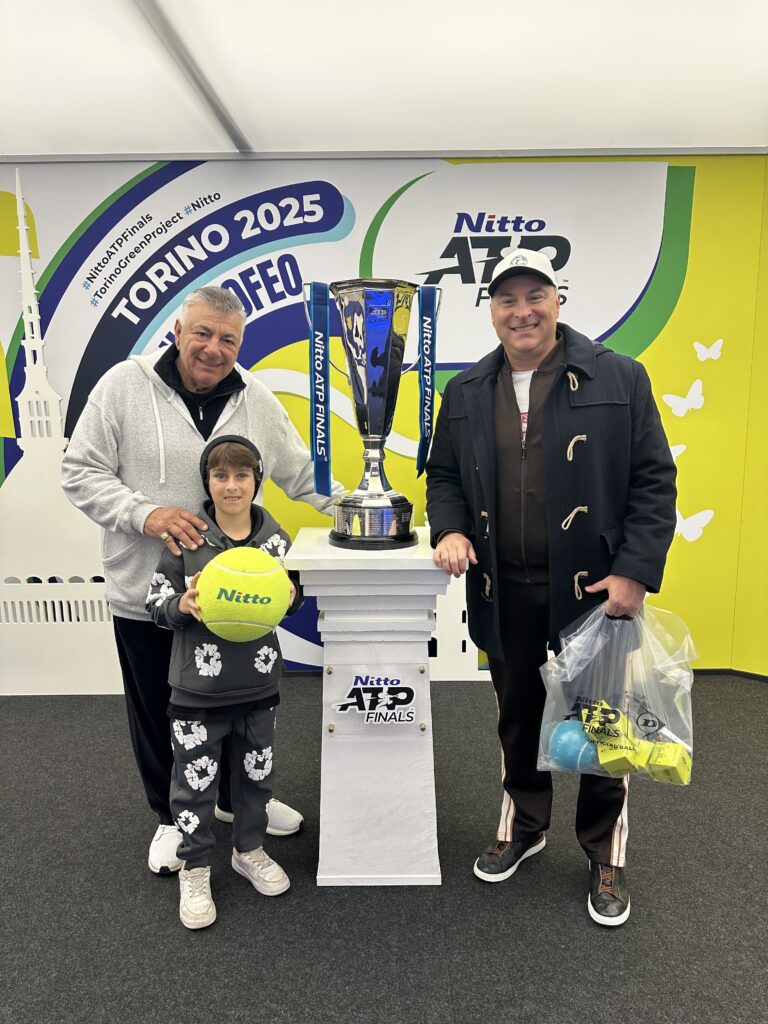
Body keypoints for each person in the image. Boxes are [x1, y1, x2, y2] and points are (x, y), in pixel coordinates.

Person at [425, 249, 676, 927]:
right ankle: (525, 824)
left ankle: (604, 851)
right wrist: (448, 530)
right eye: (507, 300)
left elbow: (654, 480)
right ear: (492, 312)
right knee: (517, 718)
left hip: (594, 591)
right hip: (502, 589)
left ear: (557, 299)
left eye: (535, 295)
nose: (522, 311)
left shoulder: (619, 377)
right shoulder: (467, 391)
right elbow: (443, 477)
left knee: (601, 727)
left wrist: (634, 569)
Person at [62, 285, 343, 875]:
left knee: (244, 709)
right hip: (151, 592)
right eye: (204, 334)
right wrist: (147, 513)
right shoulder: (123, 385)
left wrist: (363, 508)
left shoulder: (257, 398)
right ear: (177, 331)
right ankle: (170, 818)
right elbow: (80, 471)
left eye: (229, 339)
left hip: (239, 603)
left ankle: (241, 806)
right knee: (159, 711)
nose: (215, 349)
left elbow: (299, 473)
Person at [148, 436, 299, 929]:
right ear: (207, 482)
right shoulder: (186, 536)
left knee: (256, 778)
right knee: (194, 783)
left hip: (258, 684)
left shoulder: (275, 539)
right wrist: (181, 606)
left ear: (256, 479)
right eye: (220, 476)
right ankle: (195, 867)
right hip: (197, 691)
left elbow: (288, 600)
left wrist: (294, 596)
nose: (231, 486)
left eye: (241, 475)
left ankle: (249, 849)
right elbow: (156, 604)